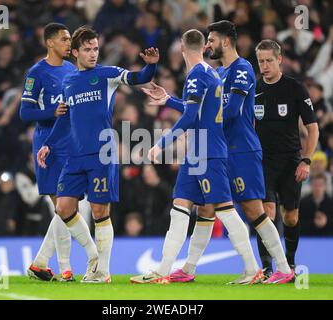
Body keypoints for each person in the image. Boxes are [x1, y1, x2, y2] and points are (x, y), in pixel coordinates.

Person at [142, 21, 294, 284]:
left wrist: (200, 127)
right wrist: (171, 101)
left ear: (225, 41)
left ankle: (282, 267)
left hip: (240, 149)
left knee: (252, 210)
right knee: (205, 209)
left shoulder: (242, 69)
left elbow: (231, 111)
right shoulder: (218, 73)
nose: (208, 44)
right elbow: (203, 111)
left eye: (211, 40)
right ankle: (187, 269)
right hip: (218, 147)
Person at [37, 26, 159, 283]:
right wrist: (48, 143)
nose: (93, 54)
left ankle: (102, 270)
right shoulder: (68, 81)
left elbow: (138, 78)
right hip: (75, 155)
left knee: (99, 211)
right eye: (88, 50)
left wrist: (151, 66)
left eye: (96, 49)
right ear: (75, 53)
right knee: (63, 207)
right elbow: (65, 118)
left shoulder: (107, 74)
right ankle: (94, 256)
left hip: (102, 153)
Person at [20, 23, 81, 282]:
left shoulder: (71, 69)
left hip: (71, 142)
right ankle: (65, 267)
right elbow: (25, 113)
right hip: (49, 145)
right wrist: (50, 113)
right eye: (65, 39)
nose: (69, 44)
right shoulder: (37, 73)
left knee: (67, 206)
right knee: (63, 206)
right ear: (50, 43)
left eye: (70, 39)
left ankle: (40, 263)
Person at [254, 39, 319, 274]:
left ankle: (290, 262)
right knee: (266, 214)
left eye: (269, 60)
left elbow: (313, 128)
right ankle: (267, 267)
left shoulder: (295, 88)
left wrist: (306, 160)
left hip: (291, 160)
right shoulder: (254, 89)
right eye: (261, 61)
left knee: (290, 217)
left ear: (279, 59)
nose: (265, 66)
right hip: (262, 161)